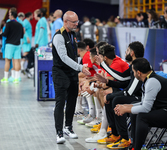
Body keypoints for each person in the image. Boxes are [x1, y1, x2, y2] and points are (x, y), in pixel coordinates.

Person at [114, 58, 167, 150]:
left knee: (142, 116)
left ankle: (137, 148)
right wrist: (126, 106)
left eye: (133, 72)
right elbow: (144, 102)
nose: (133, 74)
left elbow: (146, 108)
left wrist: (125, 109)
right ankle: (134, 146)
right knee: (135, 109)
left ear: (138, 73)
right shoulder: (149, 79)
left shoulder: (152, 82)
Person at [96, 41, 144, 149]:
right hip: (134, 96)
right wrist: (108, 82)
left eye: (127, 50)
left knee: (116, 99)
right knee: (111, 97)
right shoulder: (134, 65)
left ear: (131, 53)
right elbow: (124, 80)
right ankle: (115, 134)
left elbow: (127, 87)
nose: (125, 52)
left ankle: (125, 138)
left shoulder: (140, 65)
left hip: (141, 99)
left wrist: (102, 65)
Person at [52, 10, 90, 144]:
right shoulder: (59, 36)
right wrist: (80, 68)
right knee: (60, 102)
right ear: (66, 21)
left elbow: (74, 56)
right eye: (74, 22)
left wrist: (84, 65)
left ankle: (68, 127)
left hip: (72, 73)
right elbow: (63, 58)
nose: (76, 24)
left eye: (77, 21)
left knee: (72, 101)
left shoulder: (73, 34)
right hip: (60, 73)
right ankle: (59, 132)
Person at [1, 11, 24, 83]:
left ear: (12, 16)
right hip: (17, 45)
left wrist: (1, 32)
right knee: (16, 61)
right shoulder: (20, 25)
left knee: (7, 61)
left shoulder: (8, 24)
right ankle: (16, 78)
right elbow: (22, 36)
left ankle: (5, 78)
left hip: (9, 45)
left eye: (9, 15)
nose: (8, 16)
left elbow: (5, 34)